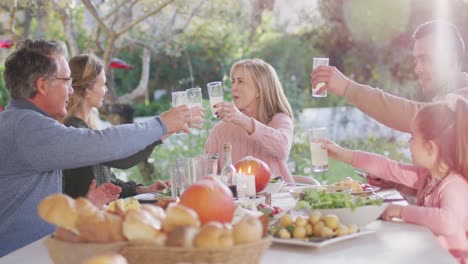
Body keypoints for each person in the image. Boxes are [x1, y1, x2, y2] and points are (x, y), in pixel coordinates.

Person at [0, 39, 199, 256]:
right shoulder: (26, 127)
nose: (70, 90)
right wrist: (161, 124)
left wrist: (88, 204)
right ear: (42, 85)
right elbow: (104, 143)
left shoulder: (22, 123)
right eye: (67, 81)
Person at [311, 20, 468, 193]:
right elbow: (445, 182)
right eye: (416, 60)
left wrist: (347, 88)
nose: (418, 69)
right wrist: (398, 184)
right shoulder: (445, 100)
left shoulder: (462, 101)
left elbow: (417, 115)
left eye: (425, 59)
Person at [322, 96, 468, 262]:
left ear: (430, 147)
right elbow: (387, 167)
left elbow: (448, 222)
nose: (408, 142)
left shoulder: (454, 186)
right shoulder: (427, 176)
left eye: (412, 137)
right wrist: (343, 154)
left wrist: (401, 211)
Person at [60, 54, 169, 200]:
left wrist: (142, 189)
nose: (106, 90)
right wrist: (162, 131)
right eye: (103, 84)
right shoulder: (74, 131)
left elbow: (107, 182)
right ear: (87, 89)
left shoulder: (87, 129)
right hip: (81, 219)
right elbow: (124, 159)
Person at [205, 58, 295, 184]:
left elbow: (282, 148)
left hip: (279, 198)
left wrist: (243, 120)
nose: (233, 87)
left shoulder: (279, 120)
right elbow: (208, 176)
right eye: (233, 81)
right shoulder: (221, 129)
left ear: (259, 90)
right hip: (238, 202)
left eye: (240, 81)